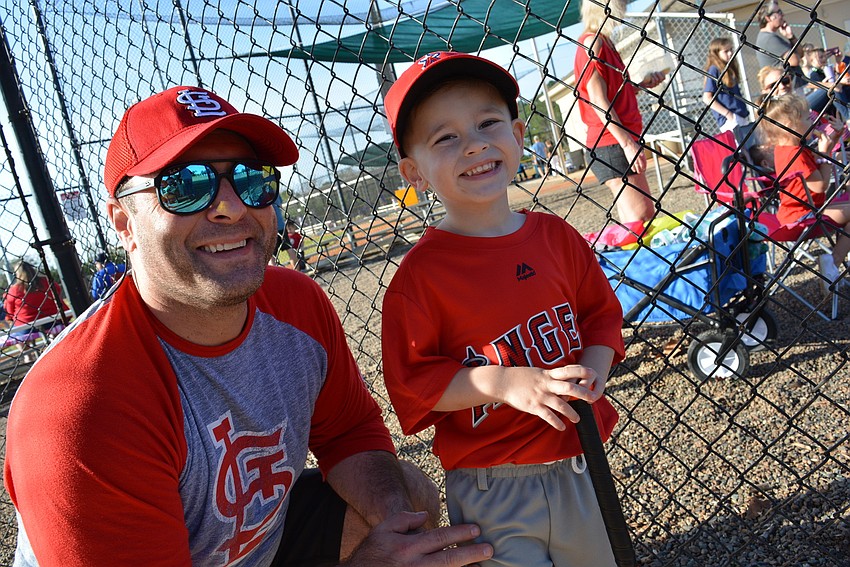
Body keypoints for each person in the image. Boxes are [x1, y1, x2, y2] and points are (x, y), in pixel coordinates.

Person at [4, 85, 493, 567]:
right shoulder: (80, 408)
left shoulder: (295, 304)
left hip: (259, 544)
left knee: (409, 493)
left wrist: (396, 529)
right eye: (185, 185)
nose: (231, 206)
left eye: (250, 178)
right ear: (125, 224)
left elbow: (348, 433)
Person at [381, 50, 625, 566]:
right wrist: (502, 383)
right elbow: (414, 385)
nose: (473, 144)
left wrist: (595, 369)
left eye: (488, 123)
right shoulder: (418, 279)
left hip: (581, 457)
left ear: (517, 135)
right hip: (491, 481)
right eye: (444, 138)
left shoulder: (556, 237)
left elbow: (601, 315)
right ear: (413, 171)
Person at [574, 0, 664, 225]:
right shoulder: (593, 42)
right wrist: (627, 143)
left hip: (615, 139)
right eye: (621, 4)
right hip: (611, 141)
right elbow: (597, 99)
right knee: (640, 218)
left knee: (639, 219)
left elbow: (611, 93)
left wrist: (642, 84)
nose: (625, 9)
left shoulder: (604, 42)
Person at [759, 93, 850, 288]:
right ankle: (832, 262)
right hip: (802, 218)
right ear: (790, 125)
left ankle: (833, 263)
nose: (814, 120)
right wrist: (825, 153)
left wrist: (833, 140)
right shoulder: (794, 155)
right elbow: (820, 186)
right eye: (808, 118)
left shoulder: (789, 148)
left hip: (805, 212)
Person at [703, 37, 753, 145]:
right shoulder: (714, 69)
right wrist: (728, 114)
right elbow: (707, 98)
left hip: (740, 114)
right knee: (741, 149)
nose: (730, 53)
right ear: (716, 53)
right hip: (730, 118)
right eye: (726, 51)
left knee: (750, 145)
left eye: (731, 49)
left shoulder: (728, 67)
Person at [3, 260, 65, 329]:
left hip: (26, 324)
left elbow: (10, 310)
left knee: (12, 328)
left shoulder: (15, 289)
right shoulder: (47, 281)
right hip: (54, 319)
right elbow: (58, 291)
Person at [754, 2, 802, 85]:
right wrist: (795, 55)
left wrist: (791, 37)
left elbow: (801, 54)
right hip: (786, 86)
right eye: (779, 12)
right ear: (768, 18)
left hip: (793, 84)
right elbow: (795, 60)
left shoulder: (769, 36)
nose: (783, 14)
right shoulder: (769, 39)